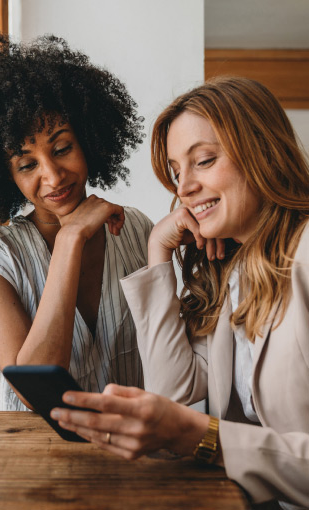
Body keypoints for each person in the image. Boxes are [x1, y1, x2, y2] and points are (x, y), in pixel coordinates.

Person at [51, 76, 309, 509]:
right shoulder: (232, 273)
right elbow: (173, 397)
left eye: (203, 160)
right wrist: (157, 253)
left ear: (263, 152)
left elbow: (185, 426)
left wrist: (200, 436)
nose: (183, 188)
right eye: (175, 171)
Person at [0, 33, 153, 410]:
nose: (53, 175)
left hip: (128, 449)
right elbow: (34, 393)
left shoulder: (137, 230)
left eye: (62, 148)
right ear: (4, 176)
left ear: (89, 142)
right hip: (27, 456)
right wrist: (70, 238)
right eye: (27, 164)